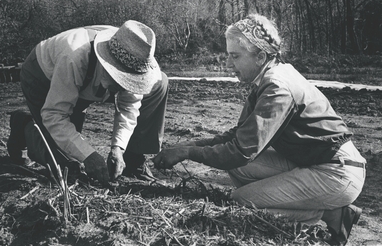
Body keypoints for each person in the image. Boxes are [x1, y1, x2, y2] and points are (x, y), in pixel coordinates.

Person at [153, 14, 366, 245]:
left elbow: (240, 151)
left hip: (337, 173)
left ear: (261, 56)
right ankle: (297, 201)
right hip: (315, 162)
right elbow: (237, 136)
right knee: (239, 170)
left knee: (241, 201)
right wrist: (188, 145)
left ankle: (331, 214)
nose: (227, 64)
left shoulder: (277, 88)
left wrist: (187, 153)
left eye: (235, 56)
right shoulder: (267, 77)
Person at [7, 20, 168, 186]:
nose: (126, 86)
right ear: (108, 64)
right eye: (123, 79)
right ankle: (24, 124)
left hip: (82, 82)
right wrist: (89, 156)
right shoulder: (73, 57)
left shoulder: (134, 55)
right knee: (65, 163)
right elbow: (55, 115)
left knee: (160, 83)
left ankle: (134, 159)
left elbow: (129, 107)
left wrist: (118, 148)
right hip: (42, 76)